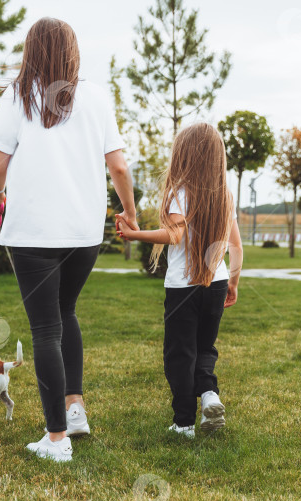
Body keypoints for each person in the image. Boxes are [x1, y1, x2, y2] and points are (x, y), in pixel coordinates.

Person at [0, 17, 137, 462]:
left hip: (32, 233)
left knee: (45, 329)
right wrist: (128, 211)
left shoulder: (17, 96)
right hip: (84, 234)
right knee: (66, 313)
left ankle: (55, 440)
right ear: (72, 50)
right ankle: (74, 411)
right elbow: (120, 168)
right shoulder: (96, 97)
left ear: (31, 50)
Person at [117, 123, 243, 439]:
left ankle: (184, 422)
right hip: (216, 283)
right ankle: (210, 395)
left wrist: (134, 234)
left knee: (180, 353)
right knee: (204, 347)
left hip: (183, 288)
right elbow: (236, 246)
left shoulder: (181, 192)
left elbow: (173, 234)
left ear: (183, 155)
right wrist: (233, 281)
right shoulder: (225, 194)